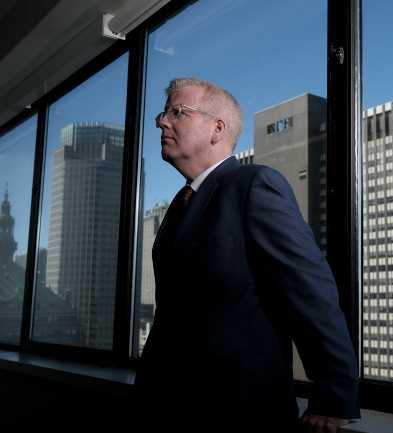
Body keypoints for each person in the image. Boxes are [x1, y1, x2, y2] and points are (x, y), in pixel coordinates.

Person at [133, 78, 360, 432]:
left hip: (238, 412)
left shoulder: (254, 184)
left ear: (217, 128)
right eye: (163, 115)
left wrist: (335, 393)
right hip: (165, 405)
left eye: (178, 112)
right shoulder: (179, 206)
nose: (163, 122)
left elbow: (310, 290)